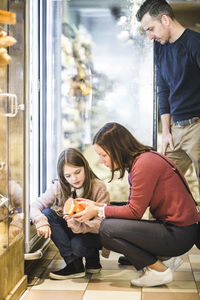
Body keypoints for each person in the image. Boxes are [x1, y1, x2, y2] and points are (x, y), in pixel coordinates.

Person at [72, 122, 200, 287]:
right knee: (109, 222)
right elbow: (134, 205)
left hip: (178, 234)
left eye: (104, 155)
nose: (102, 161)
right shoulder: (145, 158)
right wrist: (95, 205)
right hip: (180, 229)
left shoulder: (143, 165)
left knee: (107, 230)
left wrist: (98, 210)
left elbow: (134, 212)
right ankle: (163, 260)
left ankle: (158, 270)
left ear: (117, 149)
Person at [136, 0, 200, 199]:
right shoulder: (159, 47)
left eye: (151, 28)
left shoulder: (194, 43)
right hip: (175, 130)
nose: (150, 35)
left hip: (197, 128)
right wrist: (166, 131)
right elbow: (162, 89)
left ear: (165, 19)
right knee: (158, 186)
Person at [30, 148, 110, 280]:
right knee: (47, 213)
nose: (74, 178)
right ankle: (74, 265)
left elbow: (103, 223)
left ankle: (93, 260)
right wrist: (40, 221)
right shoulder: (59, 186)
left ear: (85, 167)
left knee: (78, 245)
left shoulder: (99, 187)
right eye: (68, 176)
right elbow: (35, 205)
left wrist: (81, 226)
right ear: (62, 176)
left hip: (92, 234)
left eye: (78, 172)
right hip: (73, 228)